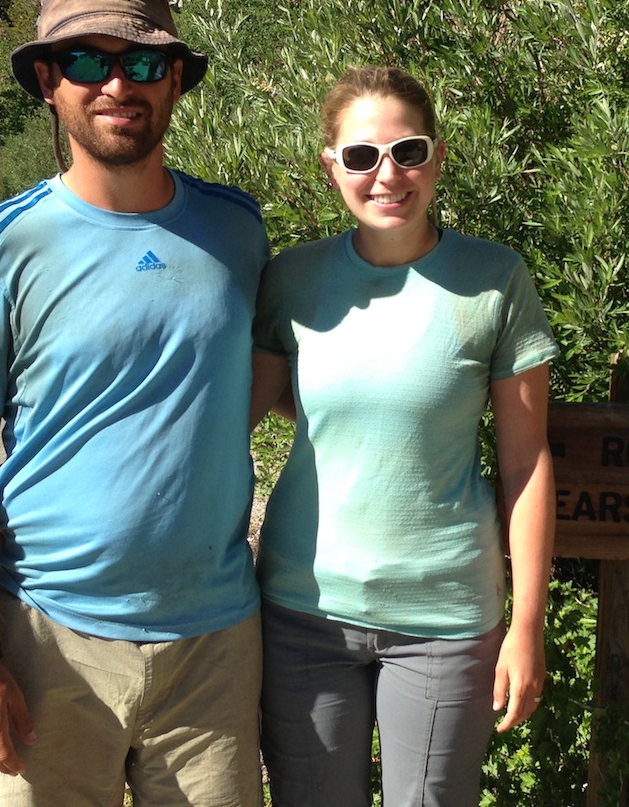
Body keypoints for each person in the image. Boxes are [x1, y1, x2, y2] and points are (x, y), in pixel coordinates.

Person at [0, 0, 269, 805]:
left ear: (175, 79)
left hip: (213, 643)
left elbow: (255, 378)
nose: (117, 85)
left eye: (143, 64)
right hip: (46, 639)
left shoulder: (236, 228)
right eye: (86, 61)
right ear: (48, 81)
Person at [250, 66, 558, 807]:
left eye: (407, 151)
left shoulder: (495, 280)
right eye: (361, 156)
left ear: (438, 156)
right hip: (301, 611)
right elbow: (232, 423)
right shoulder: (291, 280)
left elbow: (527, 462)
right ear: (332, 168)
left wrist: (527, 626)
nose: (387, 175)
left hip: (444, 621)